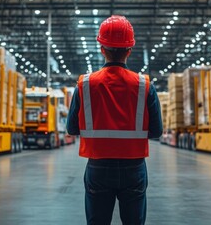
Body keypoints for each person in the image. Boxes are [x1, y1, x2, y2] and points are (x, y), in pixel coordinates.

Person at [66, 15, 163, 225]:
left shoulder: (85, 85)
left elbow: (71, 128)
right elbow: (156, 132)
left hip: (98, 167)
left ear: (102, 48)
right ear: (130, 49)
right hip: (134, 167)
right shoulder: (144, 85)